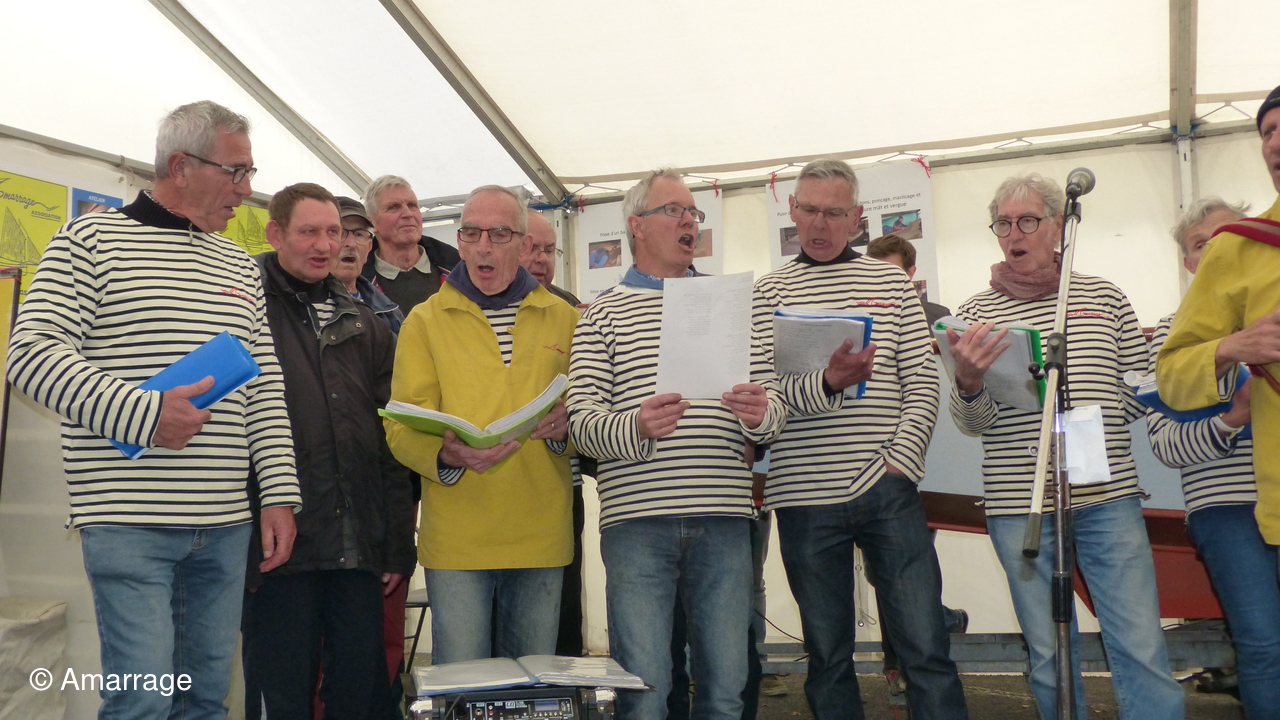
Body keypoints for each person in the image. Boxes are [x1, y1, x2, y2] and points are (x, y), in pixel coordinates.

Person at [6, 100, 300, 720]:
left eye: (250, 172)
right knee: (141, 702)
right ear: (180, 166)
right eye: (236, 172)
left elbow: (266, 387)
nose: (247, 190)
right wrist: (144, 414)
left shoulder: (239, 266)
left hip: (226, 525)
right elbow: (29, 356)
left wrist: (277, 494)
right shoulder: (89, 240)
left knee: (206, 702)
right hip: (128, 523)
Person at [946, 173, 1181, 719]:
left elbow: (1141, 388)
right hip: (1019, 504)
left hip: (1107, 496)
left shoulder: (1104, 296)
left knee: (1140, 642)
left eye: (1027, 221)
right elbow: (971, 422)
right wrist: (969, 382)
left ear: (1058, 225)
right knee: (1049, 654)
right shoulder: (975, 314)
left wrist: (1100, 410)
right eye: (1003, 224)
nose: (1014, 233)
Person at [568, 169, 786, 720]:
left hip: (724, 519)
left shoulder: (737, 305)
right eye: (674, 210)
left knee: (726, 691)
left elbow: (775, 411)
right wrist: (636, 426)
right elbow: (581, 424)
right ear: (636, 225)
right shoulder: (601, 315)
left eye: (694, 213)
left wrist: (760, 414)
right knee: (645, 693)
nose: (689, 221)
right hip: (637, 525)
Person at [751, 159, 966, 720]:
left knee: (925, 647)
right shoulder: (766, 293)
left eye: (834, 213)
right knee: (827, 657)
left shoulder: (891, 283)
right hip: (802, 494)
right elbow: (764, 399)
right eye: (809, 210)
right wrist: (826, 382)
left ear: (857, 217)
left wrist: (901, 463)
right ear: (792, 209)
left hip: (886, 489)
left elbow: (922, 382)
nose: (819, 224)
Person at [239, 183, 414, 720]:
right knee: (282, 697)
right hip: (280, 551)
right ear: (275, 234)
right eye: (309, 231)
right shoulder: (244, 311)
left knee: (357, 698)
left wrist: (396, 544)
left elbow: (391, 441)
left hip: (357, 551)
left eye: (334, 231)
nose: (325, 245)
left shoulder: (367, 324)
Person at [385, 185, 578, 663]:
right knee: (463, 687)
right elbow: (400, 427)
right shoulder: (423, 322)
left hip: (540, 535)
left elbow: (591, 416)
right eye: (471, 233)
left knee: (533, 688)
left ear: (524, 243)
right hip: (458, 541)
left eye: (499, 234)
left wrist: (569, 429)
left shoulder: (566, 319)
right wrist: (445, 455)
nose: (483, 246)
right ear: (460, 241)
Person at [1149, 197, 1280, 717]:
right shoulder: (1171, 335)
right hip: (1226, 509)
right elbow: (1167, 445)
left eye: (1231, 235)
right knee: (1263, 645)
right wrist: (1232, 419)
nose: (1220, 248)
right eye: (1203, 243)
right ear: (1188, 262)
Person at [1157, 84, 1280, 559]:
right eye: (1267, 132)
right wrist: (1235, 347)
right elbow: (1171, 376)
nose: (1274, 142)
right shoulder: (1238, 248)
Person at [518, 209, 587, 657]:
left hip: (562, 483)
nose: (542, 259)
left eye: (549, 250)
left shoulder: (571, 311)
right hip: (495, 485)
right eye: (532, 248)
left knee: (561, 610)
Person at [360, 175, 461, 314]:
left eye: (412, 205)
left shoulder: (460, 270)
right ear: (371, 222)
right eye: (393, 207)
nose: (408, 214)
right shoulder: (356, 285)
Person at [335, 196, 404, 333]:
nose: (351, 244)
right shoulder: (308, 310)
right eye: (341, 233)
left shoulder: (390, 312)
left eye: (359, 234)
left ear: (369, 247)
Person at [865, 233, 951, 326]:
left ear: (910, 273)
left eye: (890, 271)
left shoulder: (940, 319)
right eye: (874, 270)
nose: (880, 278)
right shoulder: (857, 316)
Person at [521, 210, 580, 306]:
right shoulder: (495, 308)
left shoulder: (569, 304)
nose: (544, 259)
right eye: (532, 249)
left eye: (549, 250)